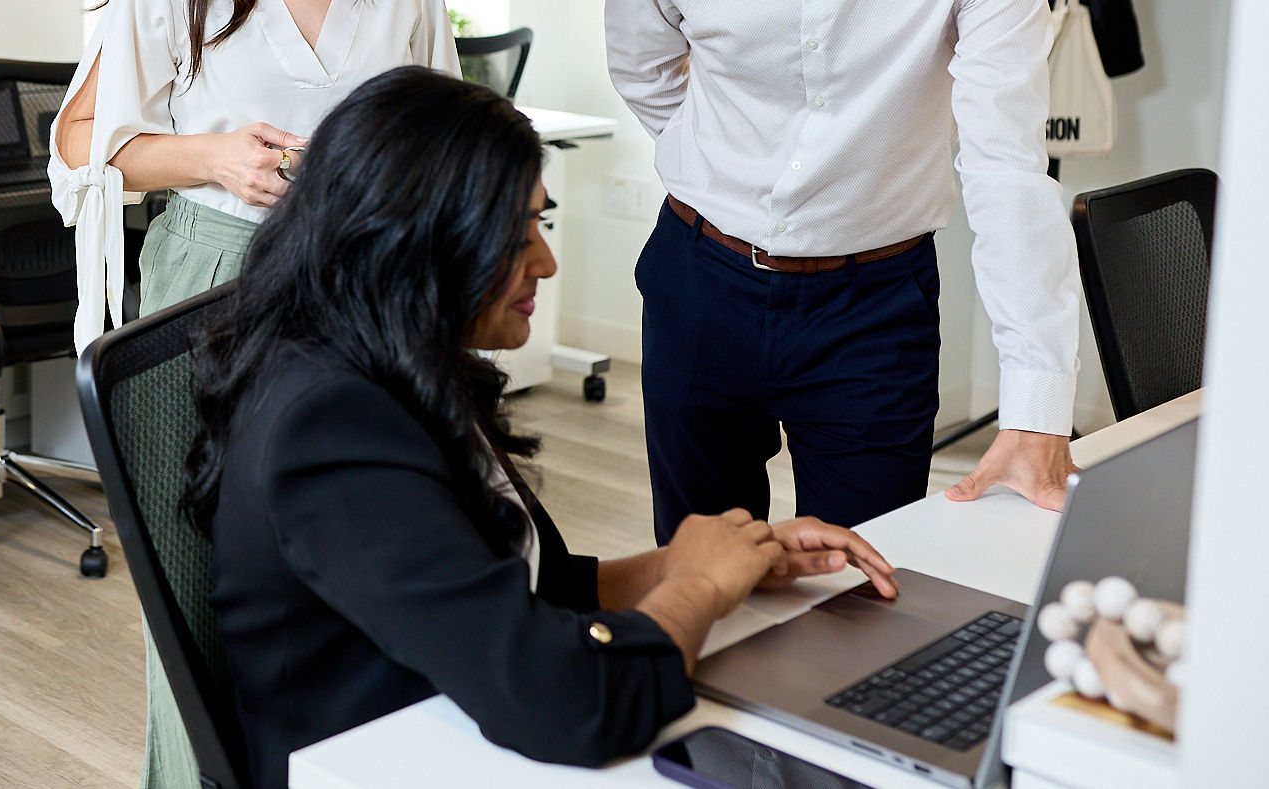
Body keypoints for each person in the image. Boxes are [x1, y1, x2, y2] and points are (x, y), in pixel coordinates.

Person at [184, 68, 897, 789]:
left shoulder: (393, 360)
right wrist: (699, 590)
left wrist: (717, 560)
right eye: (518, 233)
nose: (546, 261)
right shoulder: (330, 424)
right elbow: (570, 703)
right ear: (420, 239)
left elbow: (530, 584)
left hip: (458, 727)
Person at [49, 0, 459, 789]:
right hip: (210, 288)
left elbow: (441, 139)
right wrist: (211, 157)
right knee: (197, 579)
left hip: (361, 304)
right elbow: (83, 145)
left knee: (355, 567)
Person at [605, 0, 1084, 543]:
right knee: (704, 575)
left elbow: (1004, 159)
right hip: (697, 285)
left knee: (871, 590)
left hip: (873, 311)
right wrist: (721, 166)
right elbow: (642, 66)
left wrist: (1038, 402)